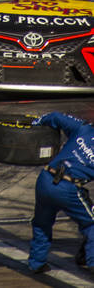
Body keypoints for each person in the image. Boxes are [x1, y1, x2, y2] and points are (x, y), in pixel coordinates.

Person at [27, 112, 94, 274]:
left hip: (45, 179)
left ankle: (37, 263)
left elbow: (55, 116)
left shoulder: (84, 128)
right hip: (68, 189)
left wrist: (35, 124)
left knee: (42, 223)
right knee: (92, 224)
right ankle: (92, 262)